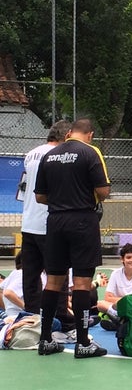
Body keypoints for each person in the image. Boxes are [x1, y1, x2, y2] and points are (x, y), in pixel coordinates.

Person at [34, 117, 111, 358]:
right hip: (82, 221)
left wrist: (62, 198)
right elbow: (103, 191)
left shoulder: (50, 155)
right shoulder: (91, 152)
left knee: (53, 282)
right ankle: (82, 342)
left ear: (69, 133)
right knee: (81, 283)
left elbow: (40, 197)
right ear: (90, 134)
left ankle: (45, 340)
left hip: (55, 220)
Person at [20, 120, 71, 315]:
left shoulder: (30, 154)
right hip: (49, 223)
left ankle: (31, 319)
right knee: (58, 275)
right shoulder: (58, 156)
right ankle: (60, 320)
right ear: (66, 136)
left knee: (30, 277)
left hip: (28, 222)